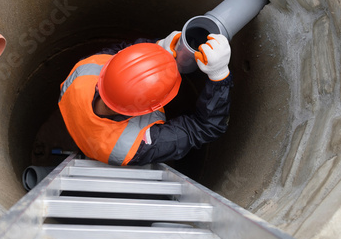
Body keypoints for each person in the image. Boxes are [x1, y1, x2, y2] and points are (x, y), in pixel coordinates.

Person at [58, 31, 233, 166]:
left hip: (77, 125)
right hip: (103, 148)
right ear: (148, 108)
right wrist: (219, 76)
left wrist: (158, 46)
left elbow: (121, 52)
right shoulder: (133, 145)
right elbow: (204, 128)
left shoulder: (84, 70)